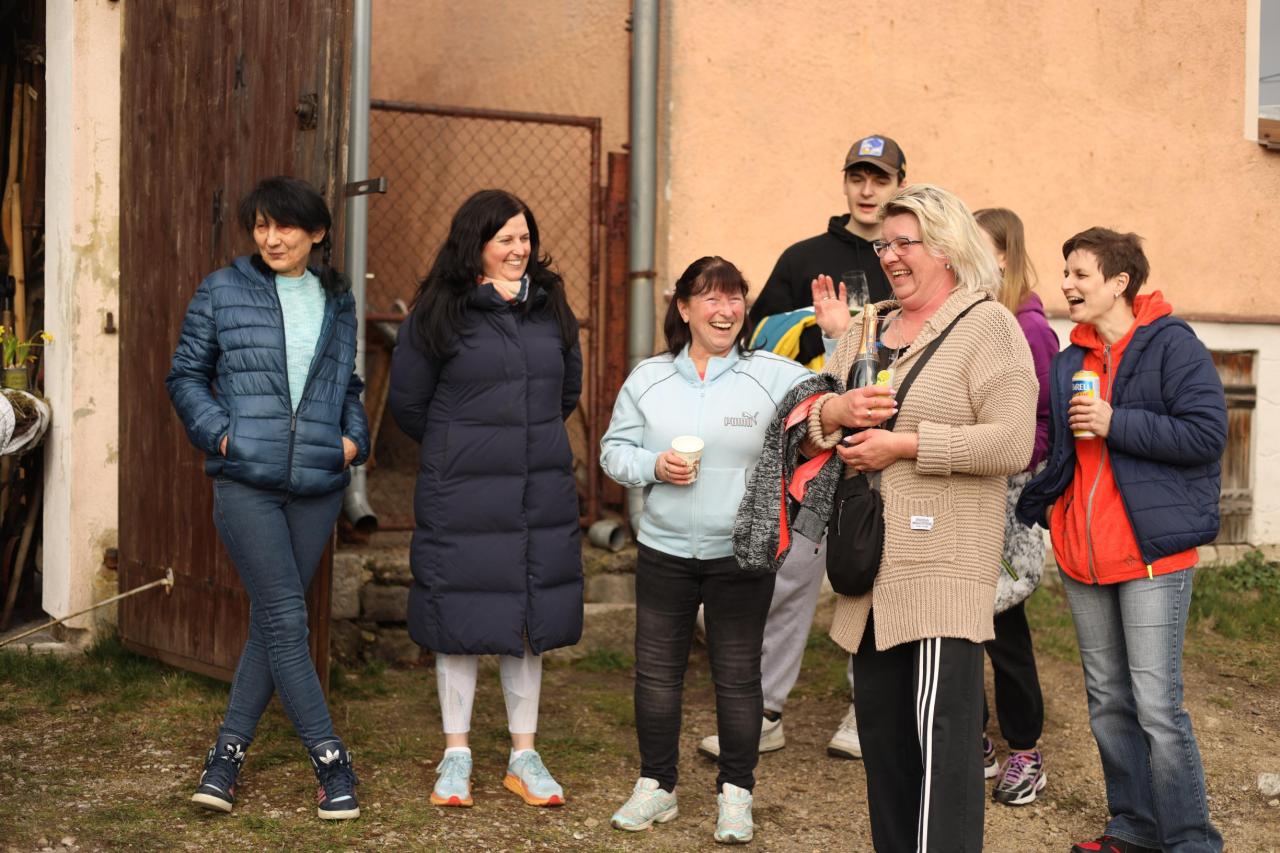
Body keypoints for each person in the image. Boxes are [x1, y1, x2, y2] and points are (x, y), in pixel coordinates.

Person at [806, 184, 1037, 851]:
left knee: (942, 754)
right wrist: (835, 413)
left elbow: (1012, 442)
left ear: (947, 247)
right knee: (886, 753)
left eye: (904, 243)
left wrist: (906, 445)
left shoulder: (987, 326)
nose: (890, 257)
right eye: (883, 245)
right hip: (870, 572)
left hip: (940, 573)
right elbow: (812, 418)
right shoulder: (866, 329)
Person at [700, 133, 909, 766]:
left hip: (884, 444)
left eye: (880, 179)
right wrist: (816, 336)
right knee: (787, 578)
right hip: (810, 446)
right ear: (844, 181)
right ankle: (764, 711)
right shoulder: (803, 258)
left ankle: (867, 710)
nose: (867, 190)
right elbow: (760, 342)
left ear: (899, 184)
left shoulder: (906, 258)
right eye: (857, 177)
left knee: (873, 574)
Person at [167, 176, 370, 820]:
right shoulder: (222, 289)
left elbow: (349, 384)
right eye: (261, 226)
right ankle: (331, 761)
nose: (271, 238)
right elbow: (186, 375)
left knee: (273, 623)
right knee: (285, 619)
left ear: (317, 233)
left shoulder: (338, 299)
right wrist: (221, 435)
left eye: (285, 226)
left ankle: (224, 759)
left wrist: (352, 442)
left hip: (317, 485)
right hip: (246, 482)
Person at [1017, 228, 1226, 853]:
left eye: (1080, 274)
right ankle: (1132, 827)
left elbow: (1206, 435)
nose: (1066, 285)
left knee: (1158, 708)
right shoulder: (1068, 362)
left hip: (1150, 555)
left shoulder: (1172, 346)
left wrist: (1116, 422)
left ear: (1119, 282)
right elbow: (1061, 452)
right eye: (1065, 273)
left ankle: (1190, 842)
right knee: (1108, 703)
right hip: (1083, 556)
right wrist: (1043, 506)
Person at [600, 257, 810, 844]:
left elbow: (829, 398)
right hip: (664, 549)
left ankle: (736, 794)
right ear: (685, 308)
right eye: (711, 298)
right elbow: (613, 451)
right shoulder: (649, 378)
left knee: (739, 678)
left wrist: (840, 336)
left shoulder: (770, 375)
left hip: (741, 552)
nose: (725, 310)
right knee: (656, 676)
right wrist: (654, 465)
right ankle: (657, 786)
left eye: (735, 297)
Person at [387, 189, 583, 810]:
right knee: (459, 616)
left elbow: (566, 391)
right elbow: (409, 404)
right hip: (462, 491)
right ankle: (457, 755)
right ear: (476, 244)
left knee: (527, 619)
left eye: (525, 238)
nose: (519, 249)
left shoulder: (550, 305)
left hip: (536, 487)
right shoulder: (439, 309)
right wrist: (464, 446)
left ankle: (524, 757)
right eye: (506, 240)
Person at [973, 207, 1058, 807]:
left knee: (1004, 626)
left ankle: (1025, 750)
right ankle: (973, 739)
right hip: (965, 488)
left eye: (977, 245)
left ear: (1004, 253)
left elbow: (1046, 425)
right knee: (959, 620)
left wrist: (1003, 455)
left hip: (1007, 496)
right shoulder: (973, 316)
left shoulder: (1029, 327)